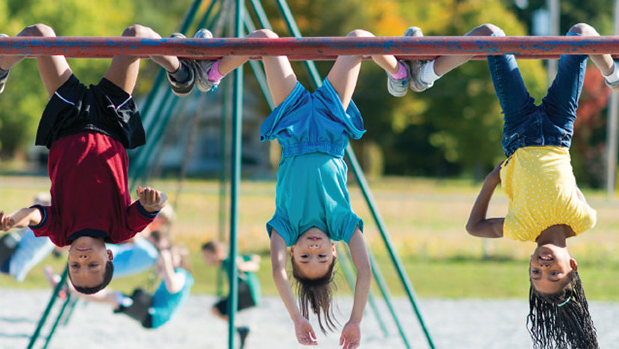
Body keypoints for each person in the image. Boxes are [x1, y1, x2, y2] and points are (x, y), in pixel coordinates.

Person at [405, 23, 619, 349]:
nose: (543, 269)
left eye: (535, 275)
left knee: (490, 34)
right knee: (581, 33)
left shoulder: (520, 229)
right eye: (554, 275)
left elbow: (474, 227)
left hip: (518, 129)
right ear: (572, 267)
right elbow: (566, 177)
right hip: (559, 128)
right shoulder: (585, 220)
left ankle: (425, 76)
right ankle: (614, 75)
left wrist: (492, 181)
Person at [189, 28, 403, 348]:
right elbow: (364, 270)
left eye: (305, 256)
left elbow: (277, 272)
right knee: (360, 37)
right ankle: (402, 75)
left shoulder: (286, 226)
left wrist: (296, 317)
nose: (313, 248)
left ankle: (213, 73)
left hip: (295, 125)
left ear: (292, 251)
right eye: (321, 255)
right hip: (331, 125)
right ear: (334, 251)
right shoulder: (341, 224)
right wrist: (355, 319)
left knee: (263, 37)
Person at [0, 23, 205, 294]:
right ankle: (182, 73)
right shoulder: (122, 230)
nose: (83, 260)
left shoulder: (60, 231)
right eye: (93, 266)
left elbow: (35, 216)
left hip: (67, 122)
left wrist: (12, 220)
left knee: (39, 34)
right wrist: (154, 201)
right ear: (109, 256)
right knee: (136, 35)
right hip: (110, 124)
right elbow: (153, 207)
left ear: (68, 260)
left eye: (75, 266)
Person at [46, 246, 193, 330]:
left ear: (180, 260)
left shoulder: (182, 274)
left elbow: (173, 287)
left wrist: (167, 261)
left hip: (153, 315)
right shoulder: (176, 274)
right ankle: (69, 289)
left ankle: (69, 289)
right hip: (151, 310)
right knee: (112, 297)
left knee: (113, 297)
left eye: (172, 257)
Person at [201, 240, 261, 349]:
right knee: (218, 308)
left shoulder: (229, 261)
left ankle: (241, 329)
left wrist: (243, 266)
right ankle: (241, 329)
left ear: (217, 252)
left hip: (248, 294)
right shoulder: (227, 262)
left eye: (207, 255)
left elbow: (254, 263)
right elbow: (253, 257)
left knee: (216, 309)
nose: (205, 259)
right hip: (248, 294)